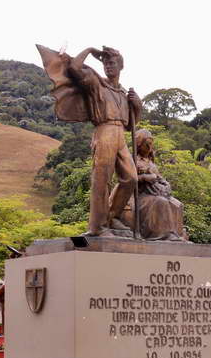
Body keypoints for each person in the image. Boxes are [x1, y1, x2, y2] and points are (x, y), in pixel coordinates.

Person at [37, 44, 139, 236]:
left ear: (121, 66)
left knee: (131, 178)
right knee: (102, 180)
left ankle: (111, 217)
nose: (108, 66)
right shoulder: (95, 82)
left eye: (113, 63)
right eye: (106, 63)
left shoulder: (122, 94)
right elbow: (74, 69)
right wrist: (90, 50)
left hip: (120, 135)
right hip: (104, 131)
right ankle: (97, 227)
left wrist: (137, 105)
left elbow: (131, 125)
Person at [131, 129, 185, 240]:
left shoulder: (151, 163)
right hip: (141, 196)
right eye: (146, 144)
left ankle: (177, 234)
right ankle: (163, 234)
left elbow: (160, 178)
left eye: (150, 144)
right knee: (161, 202)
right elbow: (128, 180)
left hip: (156, 192)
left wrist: (166, 185)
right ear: (139, 145)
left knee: (177, 204)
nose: (149, 147)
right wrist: (144, 178)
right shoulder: (133, 161)